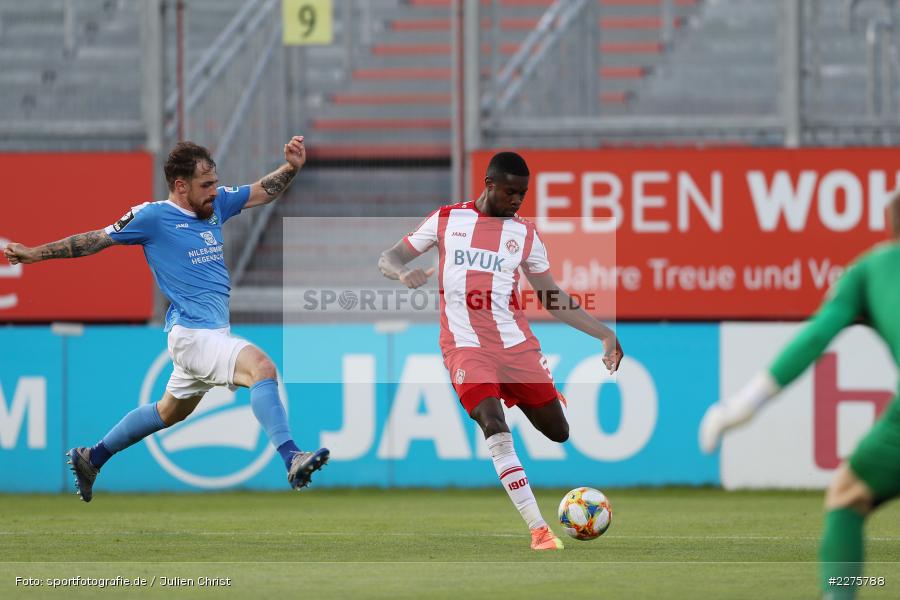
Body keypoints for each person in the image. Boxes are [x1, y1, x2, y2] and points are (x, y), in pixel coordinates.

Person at [3, 136, 329, 502]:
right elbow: (96, 239)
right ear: (180, 185)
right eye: (206, 185)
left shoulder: (215, 205)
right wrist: (36, 254)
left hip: (208, 334)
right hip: (193, 335)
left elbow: (262, 191)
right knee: (262, 369)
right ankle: (291, 456)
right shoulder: (152, 217)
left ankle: (92, 458)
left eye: (215, 182)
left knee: (168, 412)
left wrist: (291, 168)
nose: (214, 191)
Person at [378, 151, 623, 550]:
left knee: (558, 431)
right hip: (464, 346)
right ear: (489, 184)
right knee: (492, 422)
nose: (517, 200)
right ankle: (539, 530)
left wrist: (603, 334)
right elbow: (388, 257)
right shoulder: (446, 219)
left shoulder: (525, 235)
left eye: (523, 194)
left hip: (515, 347)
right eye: (511, 192)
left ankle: (533, 400)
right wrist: (402, 272)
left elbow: (551, 296)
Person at [699, 191, 900, 599]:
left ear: (892, 223)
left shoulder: (872, 268)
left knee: (848, 495)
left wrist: (744, 405)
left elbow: (814, 338)